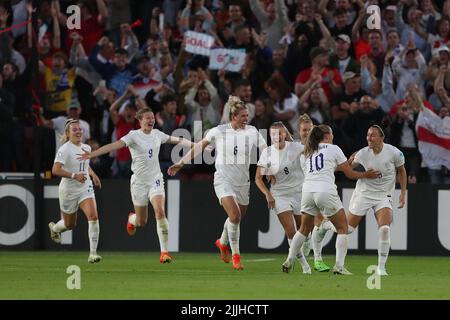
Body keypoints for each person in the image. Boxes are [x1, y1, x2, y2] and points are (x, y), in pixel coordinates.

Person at [78, 107, 193, 263]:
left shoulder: (157, 134)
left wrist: (195, 144)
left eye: (152, 117)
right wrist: (92, 154)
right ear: (140, 120)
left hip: (155, 180)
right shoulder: (133, 136)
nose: (151, 120)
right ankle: (132, 219)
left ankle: (164, 252)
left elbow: (177, 139)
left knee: (160, 211)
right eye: (147, 118)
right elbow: (113, 146)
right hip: (139, 183)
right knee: (141, 222)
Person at [168, 96, 267, 271]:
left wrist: (271, 166)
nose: (246, 119)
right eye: (243, 116)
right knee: (235, 216)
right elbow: (199, 147)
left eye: (247, 116)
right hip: (223, 179)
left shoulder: (252, 131)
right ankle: (236, 256)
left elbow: (265, 150)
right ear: (233, 116)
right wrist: (181, 163)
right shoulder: (218, 131)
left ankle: (222, 242)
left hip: (243, 182)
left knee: (235, 218)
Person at [281, 125, 379, 275]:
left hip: (307, 191)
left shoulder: (307, 152)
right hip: (325, 191)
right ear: (327, 135)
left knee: (303, 229)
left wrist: (346, 162)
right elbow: (350, 174)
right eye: (332, 133)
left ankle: (289, 259)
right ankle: (339, 266)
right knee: (343, 228)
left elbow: (326, 167)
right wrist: (366, 174)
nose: (333, 136)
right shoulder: (334, 149)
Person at [318, 125, 407, 276]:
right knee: (348, 229)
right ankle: (326, 225)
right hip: (363, 194)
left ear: (381, 138)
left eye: (372, 135)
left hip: (384, 196)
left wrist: (403, 193)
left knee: (385, 229)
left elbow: (402, 171)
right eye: (368, 135)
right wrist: (341, 163)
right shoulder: (363, 153)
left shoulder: (394, 153)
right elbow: (347, 168)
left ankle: (381, 267)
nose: (369, 138)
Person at [255, 121, 311, 274]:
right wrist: (268, 194)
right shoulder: (267, 153)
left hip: (299, 193)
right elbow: (258, 179)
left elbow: (312, 152)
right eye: (273, 134)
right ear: (270, 135)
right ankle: (302, 265)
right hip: (279, 195)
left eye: (279, 133)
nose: (277, 136)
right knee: (291, 232)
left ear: (285, 134)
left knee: (304, 231)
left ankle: (299, 251)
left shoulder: (296, 147)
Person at [48, 119, 102, 263]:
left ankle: (93, 254)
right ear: (68, 133)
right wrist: (73, 176)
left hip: (85, 188)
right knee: (69, 225)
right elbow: (55, 170)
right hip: (68, 191)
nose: (78, 131)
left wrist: (93, 174)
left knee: (93, 217)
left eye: (80, 129)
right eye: (74, 130)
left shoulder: (87, 148)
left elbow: (84, 165)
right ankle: (55, 229)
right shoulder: (64, 149)